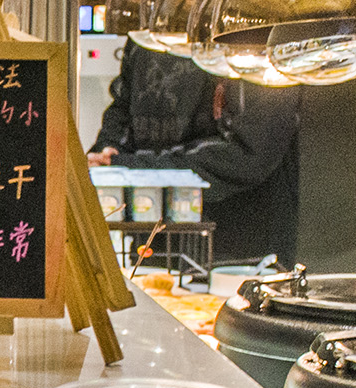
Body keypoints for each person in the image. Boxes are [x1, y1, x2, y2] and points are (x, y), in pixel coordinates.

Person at [93, 44, 297, 264]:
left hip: (236, 251)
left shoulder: (253, 39)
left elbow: (248, 154)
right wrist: (108, 150)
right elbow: (123, 105)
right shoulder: (147, 34)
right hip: (150, 238)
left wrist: (127, 167)